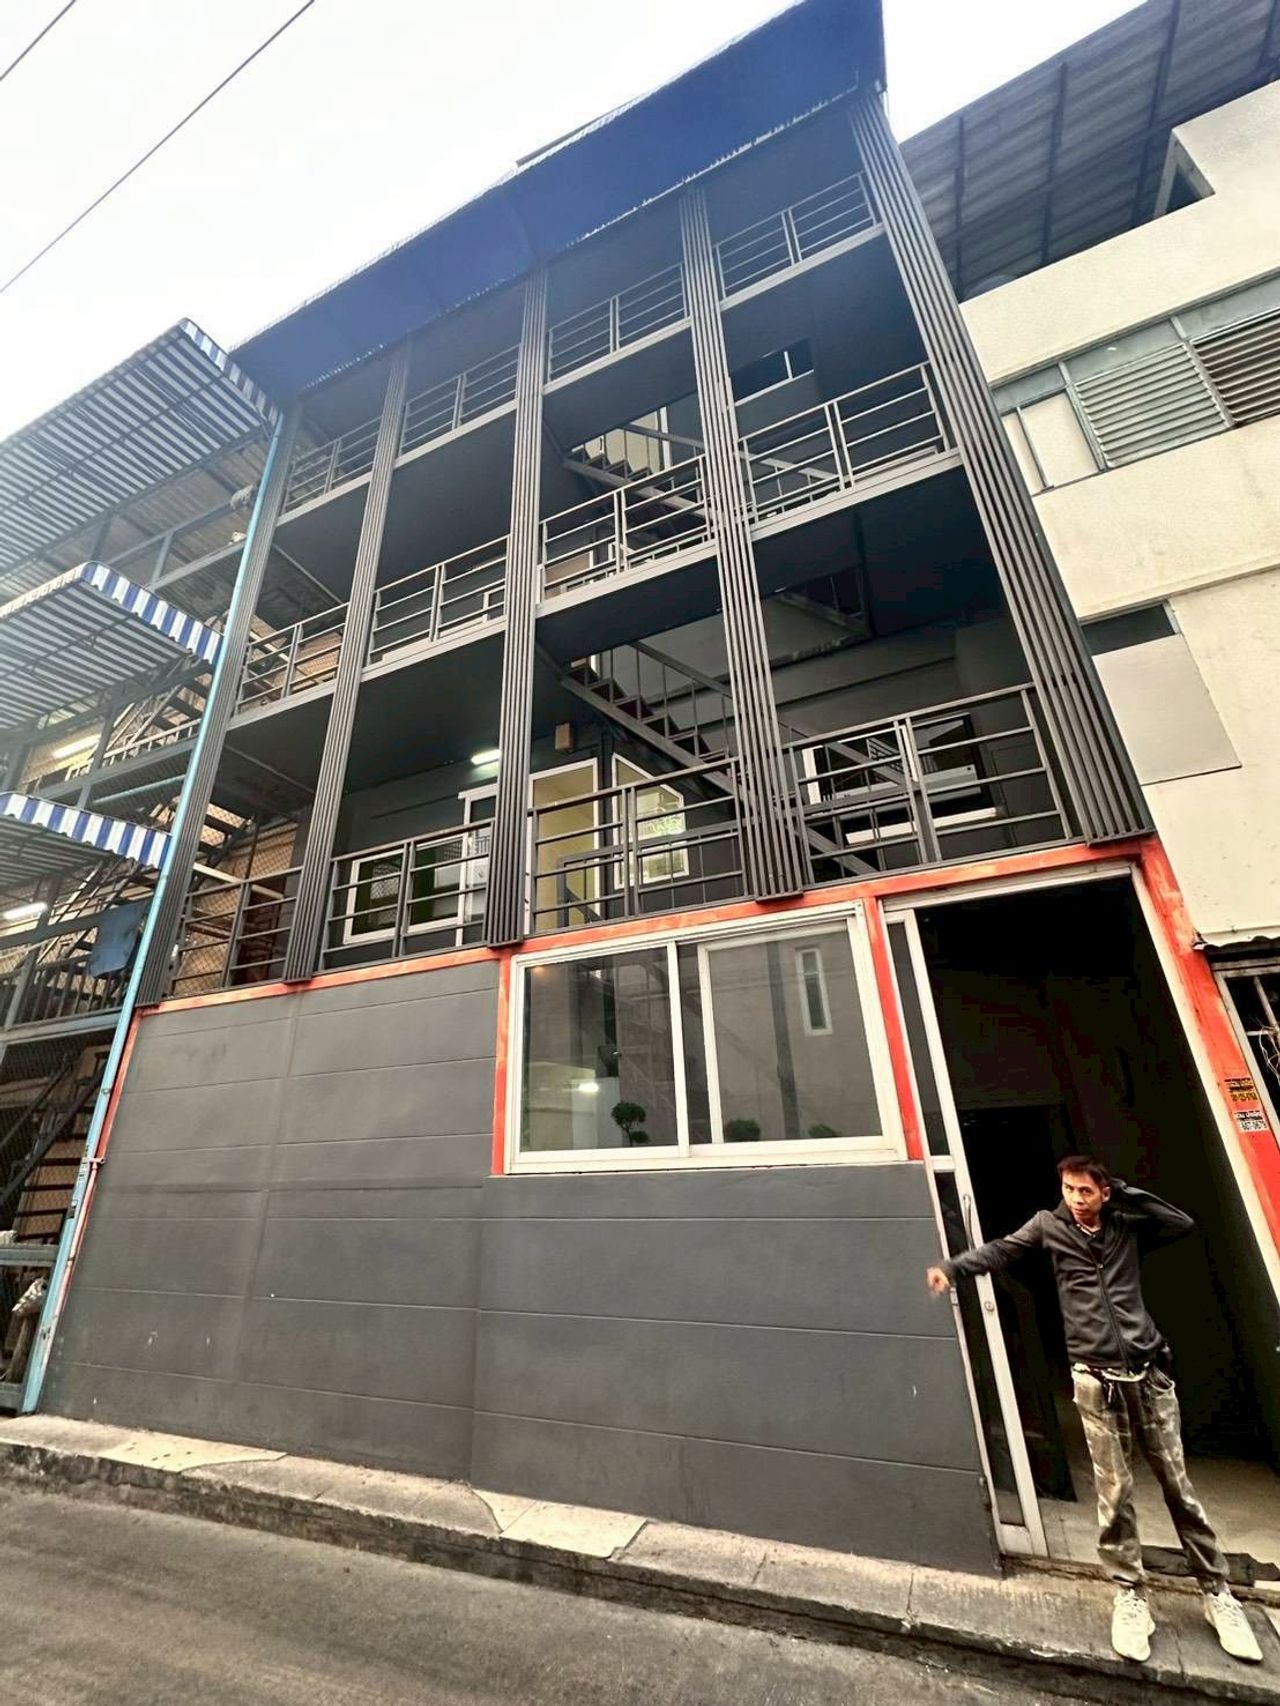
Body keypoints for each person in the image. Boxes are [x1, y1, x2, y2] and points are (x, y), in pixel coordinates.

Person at [926, 1154, 1263, 1667]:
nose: (1076, 1200)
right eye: (1069, 1189)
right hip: (1095, 1381)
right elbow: (1002, 1250)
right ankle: (1130, 1594)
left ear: (1104, 1192)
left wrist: (1123, 1194)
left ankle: (1217, 1593)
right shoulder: (1049, 1226)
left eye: (1086, 1191)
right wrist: (953, 1269)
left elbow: (1181, 1223)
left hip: (1149, 1376)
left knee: (1179, 1488)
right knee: (1115, 1492)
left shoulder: (1125, 1225)